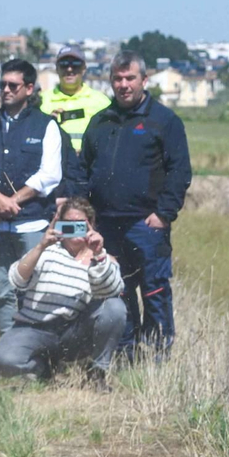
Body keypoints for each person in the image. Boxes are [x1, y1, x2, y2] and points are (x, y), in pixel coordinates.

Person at [80, 51, 193, 359]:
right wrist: (85, 215)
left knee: (154, 289)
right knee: (118, 290)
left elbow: (180, 171)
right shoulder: (100, 121)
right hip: (107, 225)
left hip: (146, 225)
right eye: (117, 79)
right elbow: (83, 170)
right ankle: (125, 355)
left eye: (130, 78)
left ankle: (158, 356)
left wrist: (164, 214)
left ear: (144, 80)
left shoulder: (164, 121)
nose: (124, 85)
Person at [0, 198, 127, 386]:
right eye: (68, 225)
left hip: (73, 332)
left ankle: (97, 372)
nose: (74, 229)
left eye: (80, 225)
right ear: (58, 225)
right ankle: (42, 369)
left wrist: (98, 255)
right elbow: (17, 279)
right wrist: (40, 245)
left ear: (91, 225)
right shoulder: (46, 252)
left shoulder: (103, 258)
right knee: (2, 361)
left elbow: (111, 291)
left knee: (115, 307)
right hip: (34, 327)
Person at [0, 58, 66, 336]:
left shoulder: (45, 125)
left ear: (29, 88)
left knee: (35, 292)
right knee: (2, 292)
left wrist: (12, 201)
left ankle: (33, 350)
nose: (5, 90)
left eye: (12, 85)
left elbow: (49, 174)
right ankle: (7, 349)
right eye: (2, 84)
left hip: (32, 225)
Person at [39, 46, 110, 161]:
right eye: (64, 64)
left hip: (88, 165)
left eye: (75, 64)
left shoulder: (102, 102)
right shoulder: (41, 101)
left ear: (84, 69)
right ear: (57, 68)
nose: (69, 69)